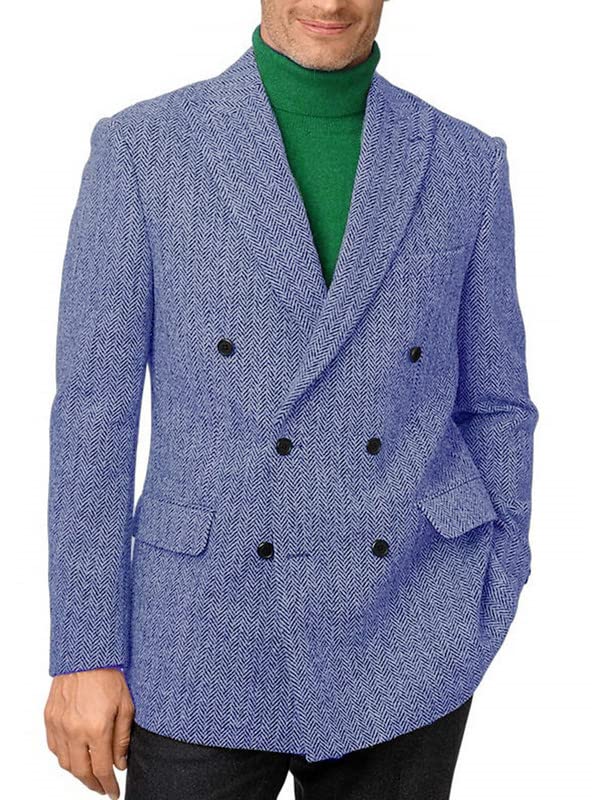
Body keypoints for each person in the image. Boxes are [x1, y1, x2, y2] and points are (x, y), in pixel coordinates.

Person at [44, 1, 539, 798]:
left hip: (408, 624)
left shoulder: (464, 162)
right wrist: (85, 649)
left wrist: (495, 571)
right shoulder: (144, 148)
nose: (329, 3)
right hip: (202, 629)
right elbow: (93, 417)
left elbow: (496, 403)